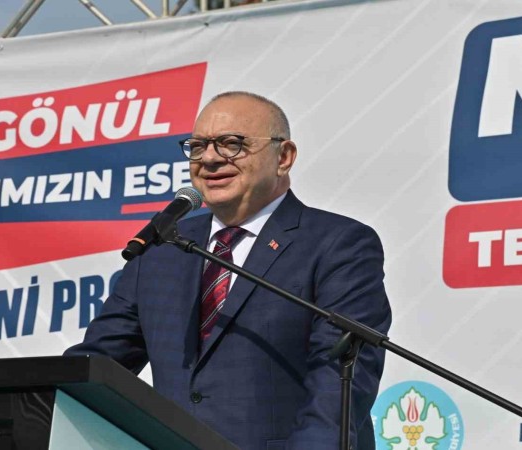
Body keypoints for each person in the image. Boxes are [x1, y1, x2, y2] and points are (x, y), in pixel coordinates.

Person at [64, 92, 392, 450]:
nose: (209, 158)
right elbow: (98, 364)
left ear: (283, 157)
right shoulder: (163, 247)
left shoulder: (339, 243)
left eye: (232, 144)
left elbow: (337, 383)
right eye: (198, 146)